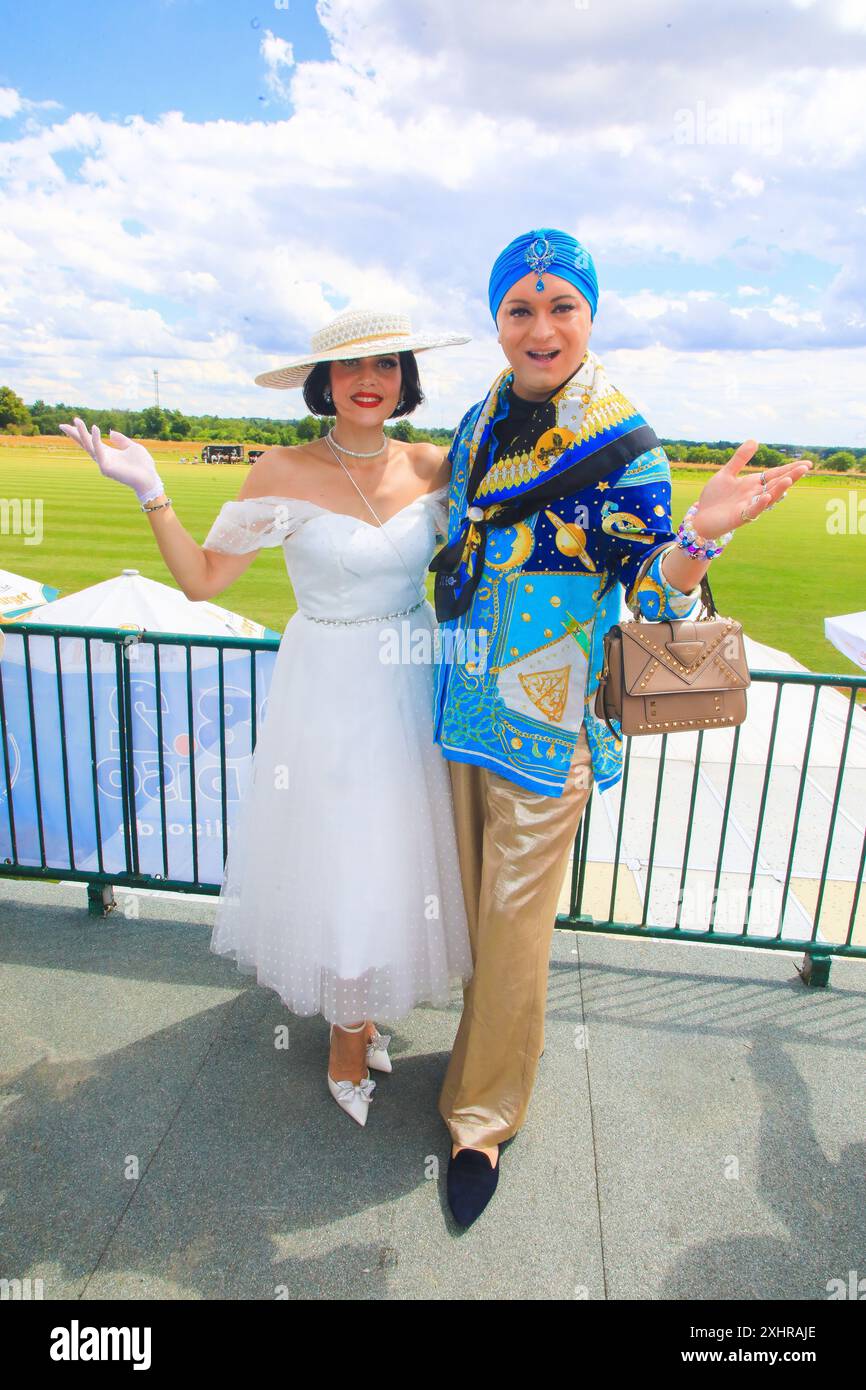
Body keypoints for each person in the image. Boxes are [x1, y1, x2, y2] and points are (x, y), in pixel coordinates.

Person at [429, 227, 814, 1225]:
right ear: (496, 321)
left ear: (589, 317)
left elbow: (650, 591)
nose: (540, 325)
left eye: (561, 307)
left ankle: (480, 1116)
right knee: (475, 904)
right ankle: (480, 1047)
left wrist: (695, 538)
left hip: (544, 718)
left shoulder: (623, 441)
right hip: (462, 699)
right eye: (520, 308)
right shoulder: (479, 420)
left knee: (515, 920)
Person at [60, 307, 474, 1129]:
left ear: (403, 379)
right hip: (327, 687)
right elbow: (206, 582)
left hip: (412, 679)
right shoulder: (280, 468)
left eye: (386, 365)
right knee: (345, 852)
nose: (369, 381)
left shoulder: (435, 464)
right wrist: (153, 493)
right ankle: (345, 1042)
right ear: (323, 382)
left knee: (401, 852)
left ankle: (366, 1010)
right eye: (352, 367)